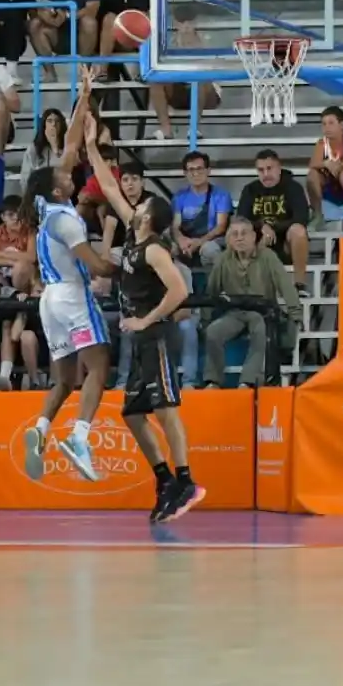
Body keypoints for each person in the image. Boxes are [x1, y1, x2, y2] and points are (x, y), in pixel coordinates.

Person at [85, 131, 201, 522]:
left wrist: (147, 318)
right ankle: (164, 478)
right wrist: (89, 148)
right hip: (142, 339)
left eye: (144, 202)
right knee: (133, 414)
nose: (134, 200)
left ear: (149, 216)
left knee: (166, 408)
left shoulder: (153, 247)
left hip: (157, 337)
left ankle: (185, 480)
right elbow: (109, 187)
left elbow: (180, 289)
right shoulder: (134, 238)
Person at [17, 68, 117, 484]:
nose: (69, 171)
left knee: (63, 379)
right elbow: (95, 266)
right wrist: (125, 263)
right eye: (64, 176)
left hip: (48, 301)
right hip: (72, 296)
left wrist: (84, 97)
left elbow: (72, 145)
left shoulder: (44, 209)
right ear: (57, 189)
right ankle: (79, 436)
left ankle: (40, 429)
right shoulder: (67, 219)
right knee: (100, 367)